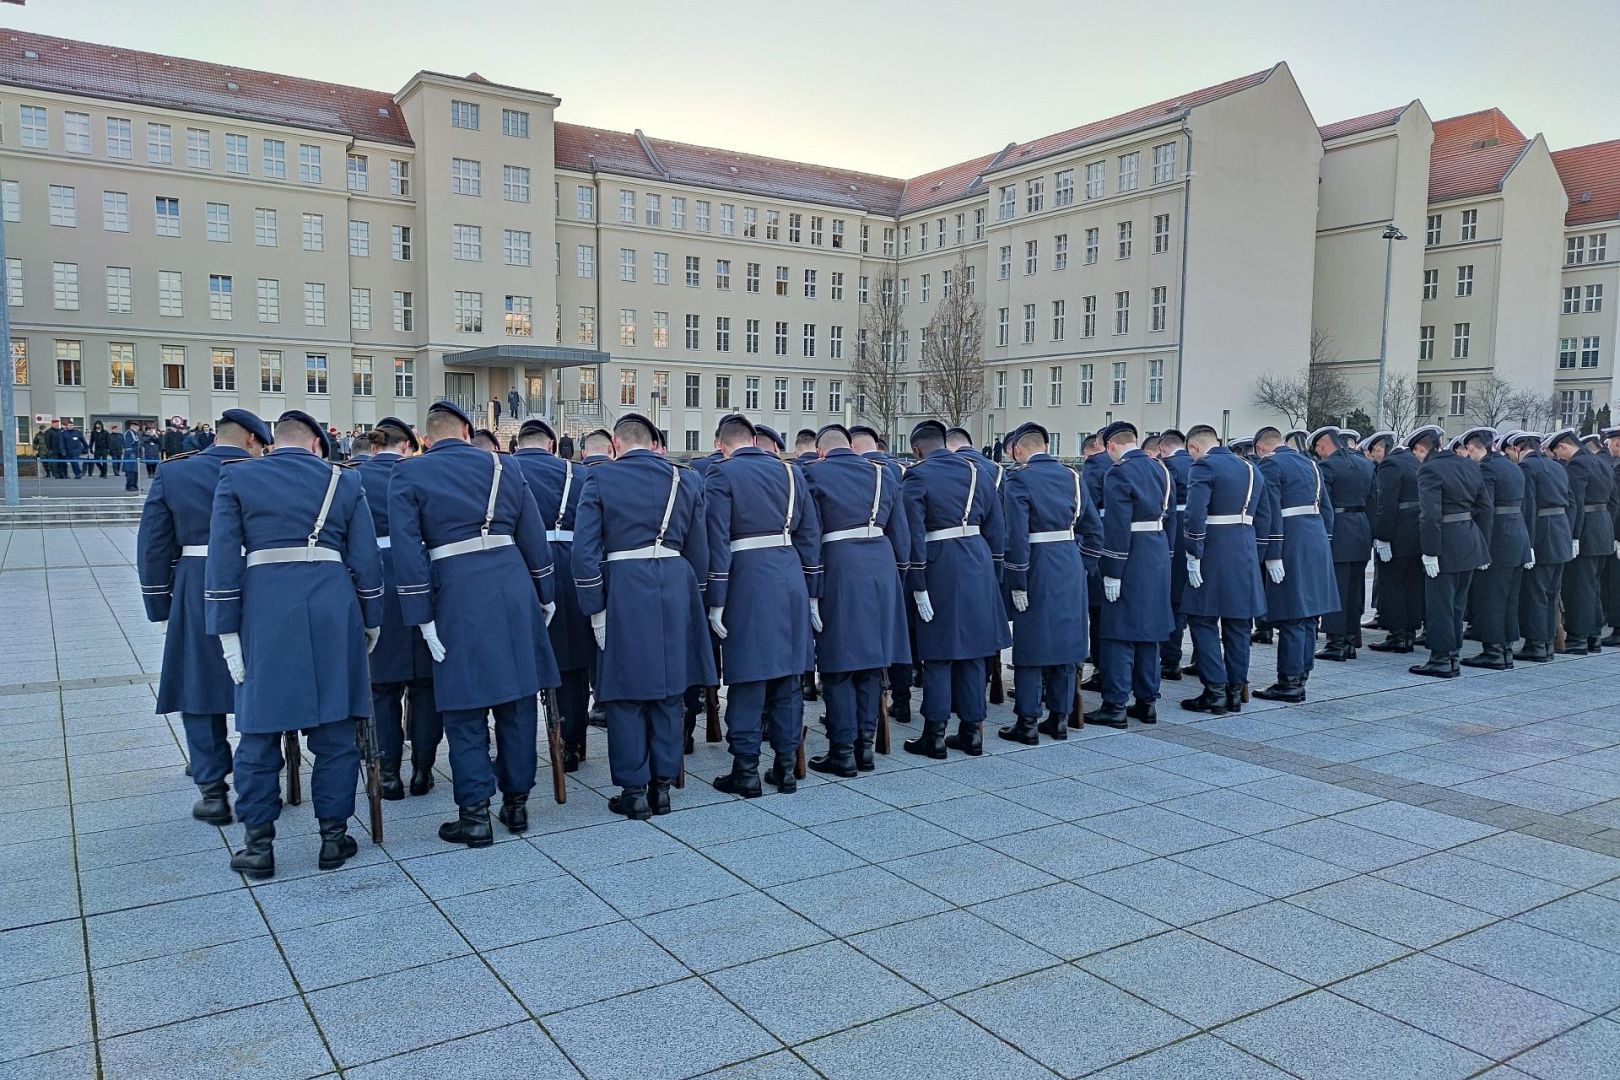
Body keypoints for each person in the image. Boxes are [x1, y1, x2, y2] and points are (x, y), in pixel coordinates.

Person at [206, 410, 383, 879]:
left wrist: (226, 630)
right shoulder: (343, 482)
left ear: (272, 443)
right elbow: (365, 560)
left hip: (265, 608)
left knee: (259, 734)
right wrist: (371, 619)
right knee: (335, 734)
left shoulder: (238, 478)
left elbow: (223, 560)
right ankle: (332, 837)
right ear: (314, 445)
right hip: (331, 605)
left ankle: (259, 845)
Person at [389, 400, 559, 843]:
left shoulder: (409, 472)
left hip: (456, 592)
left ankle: (475, 813)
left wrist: (420, 616)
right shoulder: (505, 467)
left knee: (464, 708)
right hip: (512, 584)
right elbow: (533, 537)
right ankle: (517, 805)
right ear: (467, 431)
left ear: (426, 438)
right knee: (518, 700)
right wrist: (544, 594)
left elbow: (408, 554)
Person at [572, 412, 714, 818]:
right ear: (654, 444)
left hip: (624, 586)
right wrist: (696, 597)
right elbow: (698, 547)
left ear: (616, 445)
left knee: (624, 691)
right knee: (671, 689)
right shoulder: (685, 478)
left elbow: (585, 553)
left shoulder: (599, 477)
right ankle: (663, 787)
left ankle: (634, 791)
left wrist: (593, 606)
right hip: (675, 582)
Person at [138, 409, 273, 826]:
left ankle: (212, 788)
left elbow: (154, 545)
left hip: (196, 585)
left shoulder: (174, 473)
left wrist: (160, 606)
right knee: (258, 680)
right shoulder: (263, 473)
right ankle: (264, 775)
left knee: (198, 684)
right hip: (257, 582)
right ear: (252, 440)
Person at [703, 415, 821, 795]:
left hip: (747, 579)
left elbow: (717, 541)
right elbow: (809, 535)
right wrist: (811, 590)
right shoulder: (790, 474)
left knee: (747, 677)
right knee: (788, 678)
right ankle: (785, 768)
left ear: (722, 445)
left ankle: (747, 770)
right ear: (755, 439)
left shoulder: (721, 475)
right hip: (789, 576)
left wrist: (716, 599)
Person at [802, 423, 912, 774]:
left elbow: (810, 535)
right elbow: (902, 536)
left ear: (820, 451)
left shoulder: (813, 475)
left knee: (838, 664)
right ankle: (866, 747)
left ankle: (843, 750)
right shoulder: (883, 474)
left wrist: (812, 588)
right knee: (871, 664)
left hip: (839, 565)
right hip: (881, 565)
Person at [901, 420, 1010, 755]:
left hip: (940, 564)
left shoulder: (917, 475)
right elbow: (997, 531)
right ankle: (971, 732)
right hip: (977, 562)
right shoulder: (979, 472)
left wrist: (917, 582)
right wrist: (993, 575)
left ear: (917, 450)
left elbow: (912, 535)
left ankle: (934, 735)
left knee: (938, 653)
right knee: (974, 652)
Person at [357, 418, 444, 799]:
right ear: (408, 447)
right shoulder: (420, 475)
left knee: (382, 689)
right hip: (423, 583)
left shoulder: (352, 478)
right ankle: (423, 770)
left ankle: (388, 773)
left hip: (376, 588)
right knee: (426, 687)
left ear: (375, 447)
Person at [999, 422, 1101, 743]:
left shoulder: (1018, 478)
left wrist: (1016, 578)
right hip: (1069, 560)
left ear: (1018, 450)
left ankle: (1027, 722)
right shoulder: (1073, 477)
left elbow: (1016, 535)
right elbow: (1093, 529)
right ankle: (1059, 717)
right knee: (1067, 641)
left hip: (1036, 564)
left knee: (1032, 642)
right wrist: (1082, 566)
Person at [511, 417, 595, 771]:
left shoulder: (505, 469)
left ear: (518, 444)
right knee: (573, 665)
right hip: (568, 566)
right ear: (550, 444)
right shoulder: (578, 473)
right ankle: (571, 744)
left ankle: (516, 748)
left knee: (519, 663)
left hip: (520, 567)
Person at [1180, 425, 1272, 714]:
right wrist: (1255, 554)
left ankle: (1215, 690)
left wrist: (1193, 553)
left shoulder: (1204, 467)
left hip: (1214, 549)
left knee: (1202, 618)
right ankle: (1235, 690)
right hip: (1244, 549)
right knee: (1238, 624)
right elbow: (1265, 517)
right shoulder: (1250, 468)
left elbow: (1196, 513)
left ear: (1194, 448)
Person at [1092, 421, 1174, 727]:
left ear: (1111, 446)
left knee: (1118, 632)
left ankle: (1115, 704)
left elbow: (1116, 526)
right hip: (1157, 551)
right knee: (1150, 631)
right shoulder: (1161, 470)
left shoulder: (1119, 472)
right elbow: (1172, 520)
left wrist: (1112, 570)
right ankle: (1147, 700)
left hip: (1131, 554)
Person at [1251, 426, 1336, 703]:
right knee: (1309, 614)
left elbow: (1270, 511)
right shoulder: (1311, 464)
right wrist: (1324, 541)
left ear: (1261, 448)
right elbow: (1326, 509)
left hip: (1290, 539)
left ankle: (1288, 682)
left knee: (1290, 614)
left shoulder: (1270, 465)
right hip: (1315, 538)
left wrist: (1271, 551)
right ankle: (1301, 675)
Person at [1407, 426, 1491, 677]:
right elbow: (1485, 508)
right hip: (1470, 539)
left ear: (1420, 449)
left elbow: (1430, 515)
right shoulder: (1468, 464)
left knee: (1440, 604)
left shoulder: (1429, 469)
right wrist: (1482, 545)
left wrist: (1430, 551)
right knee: (1457, 604)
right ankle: (1453, 654)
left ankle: (1441, 659)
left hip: (1446, 542)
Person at [853, 424, 916, 725]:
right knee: (898, 641)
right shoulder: (900, 470)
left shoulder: (861, 473)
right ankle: (901, 700)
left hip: (862, 568)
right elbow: (902, 530)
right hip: (891, 565)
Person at [1461, 427, 1530, 669]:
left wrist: (1482, 546)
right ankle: (1506, 649)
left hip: (1497, 539)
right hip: (1517, 536)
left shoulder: (1485, 469)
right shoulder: (1513, 466)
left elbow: (1485, 509)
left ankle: (1492, 651)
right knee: (1509, 598)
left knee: (1490, 597)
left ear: (1470, 447)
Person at [1310, 425, 1375, 662]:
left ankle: (1336, 642)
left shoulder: (1327, 467)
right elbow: (1372, 501)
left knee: (1336, 588)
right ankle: (1349, 639)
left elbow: (1323, 505)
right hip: (1361, 529)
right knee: (1355, 590)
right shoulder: (1366, 464)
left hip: (1339, 530)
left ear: (1322, 445)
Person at [1558, 422, 1619, 655]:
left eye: (1558, 452)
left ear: (1564, 447)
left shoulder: (1578, 465)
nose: (1559, 457)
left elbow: (1575, 504)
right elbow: (1613, 502)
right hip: (1603, 528)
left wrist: (1573, 535)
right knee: (1592, 586)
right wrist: (1608, 528)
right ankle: (1593, 636)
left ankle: (1578, 638)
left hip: (1586, 531)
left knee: (1579, 587)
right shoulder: (1601, 462)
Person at [1515, 430, 1575, 661]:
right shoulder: (1557, 466)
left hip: (1541, 532)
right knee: (1551, 592)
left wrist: (1527, 542)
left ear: (1519, 449)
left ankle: (1536, 644)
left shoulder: (1527, 468)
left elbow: (1528, 506)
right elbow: (1571, 502)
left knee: (1536, 592)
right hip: (1560, 531)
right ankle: (1548, 643)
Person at [1157, 429, 1192, 680]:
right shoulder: (1199, 463)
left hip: (1176, 534)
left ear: (1163, 448)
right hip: (1204, 534)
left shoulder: (1166, 467)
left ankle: (1171, 660)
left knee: (1173, 600)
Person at [1079, 432, 1111, 690]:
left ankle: (1102, 668)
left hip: (1098, 543)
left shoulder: (1094, 465)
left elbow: (1084, 508)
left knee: (1097, 610)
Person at [121, 422, 142, 491]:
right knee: (130, 471)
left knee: (136, 471)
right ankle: (129, 486)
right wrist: (131, 453)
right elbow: (127, 444)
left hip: (136, 455)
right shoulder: (128, 433)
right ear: (132, 426)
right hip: (130, 455)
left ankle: (135, 485)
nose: (138, 428)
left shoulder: (135, 434)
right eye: (137, 427)